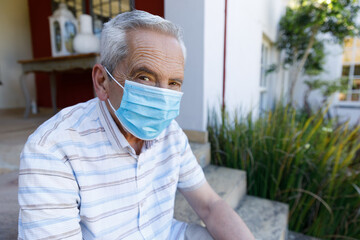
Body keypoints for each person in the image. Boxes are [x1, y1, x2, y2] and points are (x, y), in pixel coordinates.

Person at [18, 10, 255, 240]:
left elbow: (210, 206)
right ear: (102, 82)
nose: (162, 96)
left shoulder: (171, 134)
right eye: (144, 77)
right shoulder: (52, 150)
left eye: (173, 82)